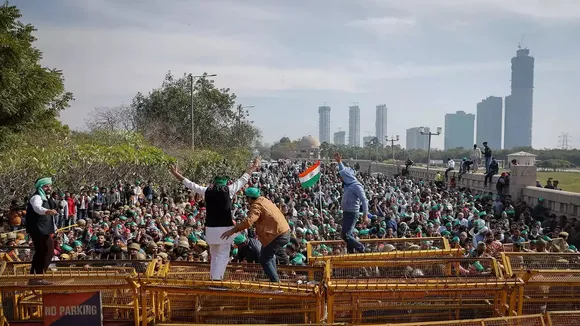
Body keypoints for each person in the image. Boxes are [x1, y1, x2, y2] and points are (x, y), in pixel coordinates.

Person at [169, 156, 261, 281]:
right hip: (225, 229)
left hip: (210, 229)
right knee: (223, 255)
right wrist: (253, 168)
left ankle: (213, 278)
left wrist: (176, 174)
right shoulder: (229, 190)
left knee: (214, 255)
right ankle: (216, 280)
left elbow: (190, 184)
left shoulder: (207, 191)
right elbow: (243, 179)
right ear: (225, 183)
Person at [221, 188, 290, 282]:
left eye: (247, 198)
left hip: (277, 235)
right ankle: (274, 279)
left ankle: (276, 283)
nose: (246, 201)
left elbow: (249, 221)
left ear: (249, 198)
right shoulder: (264, 200)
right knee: (268, 255)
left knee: (264, 259)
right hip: (281, 232)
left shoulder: (256, 205)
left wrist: (233, 230)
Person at [334, 153, 369, 253]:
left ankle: (361, 248)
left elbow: (364, 200)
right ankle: (351, 252)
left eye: (342, 177)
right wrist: (339, 162)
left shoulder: (356, 186)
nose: (340, 178)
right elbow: (343, 171)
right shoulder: (348, 183)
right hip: (346, 212)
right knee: (346, 234)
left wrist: (365, 215)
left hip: (352, 213)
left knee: (346, 235)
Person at [26, 177, 59, 284]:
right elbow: (37, 208)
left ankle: (37, 276)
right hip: (38, 229)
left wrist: (55, 228)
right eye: (46, 186)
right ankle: (36, 277)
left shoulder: (46, 198)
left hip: (44, 229)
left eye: (50, 186)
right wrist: (47, 211)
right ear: (40, 186)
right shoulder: (36, 197)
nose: (49, 188)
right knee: (43, 252)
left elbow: (51, 217)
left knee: (47, 252)